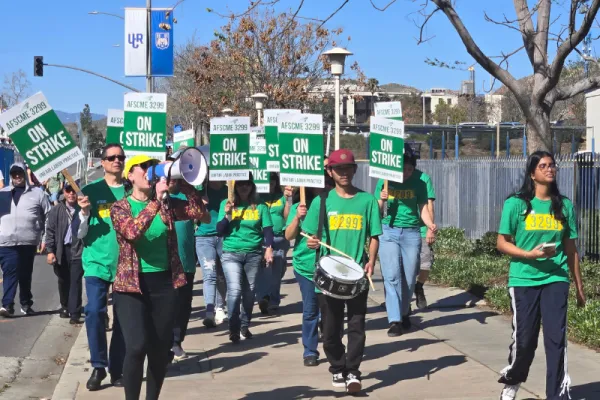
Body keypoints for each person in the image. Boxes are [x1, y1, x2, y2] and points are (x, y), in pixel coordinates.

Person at [111, 155, 205, 400]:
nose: (149, 172)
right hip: (130, 286)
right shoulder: (120, 207)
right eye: (144, 167)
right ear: (130, 175)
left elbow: (198, 211)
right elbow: (132, 231)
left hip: (164, 284)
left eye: (153, 167)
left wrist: (182, 181)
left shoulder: (168, 204)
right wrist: (157, 202)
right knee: (136, 346)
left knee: (160, 350)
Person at [496, 151, 585, 400]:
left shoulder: (564, 205)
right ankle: (513, 379)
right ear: (532, 173)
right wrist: (528, 255)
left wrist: (579, 285)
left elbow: (571, 248)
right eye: (543, 166)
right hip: (523, 278)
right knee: (525, 341)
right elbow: (502, 243)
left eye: (552, 165)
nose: (550, 169)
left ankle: (556, 394)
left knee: (556, 340)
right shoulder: (516, 204)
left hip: (556, 278)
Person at [303, 149, 382, 394]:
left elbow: (375, 235)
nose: (344, 173)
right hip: (328, 277)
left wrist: (371, 261)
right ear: (330, 172)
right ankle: (337, 366)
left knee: (357, 326)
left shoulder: (367, 201)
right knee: (330, 329)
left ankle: (353, 371)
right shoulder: (322, 201)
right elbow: (309, 236)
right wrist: (312, 242)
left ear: (355, 170)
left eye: (348, 169)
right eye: (339, 170)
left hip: (357, 275)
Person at [77, 144, 127, 390]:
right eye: (112, 157)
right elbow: (79, 233)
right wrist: (85, 213)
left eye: (121, 157)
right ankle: (98, 366)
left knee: (123, 319)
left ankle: (117, 369)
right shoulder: (89, 191)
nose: (117, 160)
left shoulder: (133, 191)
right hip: (97, 263)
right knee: (95, 312)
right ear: (103, 163)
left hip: (126, 266)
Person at [375, 151, 436, 337]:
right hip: (389, 231)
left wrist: (430, 224)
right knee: (391, 276)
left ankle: (403, 312)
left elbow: (423, 208)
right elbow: (376, 211)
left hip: (411, 233)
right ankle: (394, 320)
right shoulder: (384, 181)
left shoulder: (419, 183)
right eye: (404, 168)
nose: (407, 172)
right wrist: (382, 199)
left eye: (410, 169)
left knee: (409, 278)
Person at [284, 166, 334, 367]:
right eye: (318, 183)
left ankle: (332, 344)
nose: (321, 187)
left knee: (330, 311)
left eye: (325, 183)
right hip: (305, 266)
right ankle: (310, 350)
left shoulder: (334, 203)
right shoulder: (301, 204)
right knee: (311, 309)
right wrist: (297, 216)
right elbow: (288, 236)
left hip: (330, 265)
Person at [216, 175, 274, 343]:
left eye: (247, 184)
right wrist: (227, 215)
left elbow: (268, 230)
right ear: (234, 186)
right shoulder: (225, 204)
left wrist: (269, 248)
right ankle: (233, 328)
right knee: (235, 290)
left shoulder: (261, 206)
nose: (243, 188)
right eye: (240, 184)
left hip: (253, 254)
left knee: (250, 291)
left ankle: (244, 325)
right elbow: (220, 230)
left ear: (252, 186)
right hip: (231, 253)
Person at [168, 159, 211, 361]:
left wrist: (188, 189)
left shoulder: (186, 195)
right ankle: (166, 343)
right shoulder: (155, 196)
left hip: (185, 261)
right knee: (166, 305)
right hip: (163, 263)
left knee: (183, 305)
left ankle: (176, 341)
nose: (171, 180)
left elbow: (205, 217)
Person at [0, 163, 51, 318]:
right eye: (14, 174)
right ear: (10, 175)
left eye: (19, 173)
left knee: (25, 274)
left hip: (28, 241)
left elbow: (49, 216)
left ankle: (26, 303)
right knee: (10, 271)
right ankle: (7, 305)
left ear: (24, 173)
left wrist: (45, 238)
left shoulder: (37, 193)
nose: (17, 176)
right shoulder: (3, 193)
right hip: (6, 241)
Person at [45, 180, 84, 323]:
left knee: (75, 281)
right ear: (64, 192)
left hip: (78, 249)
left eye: (74, 190)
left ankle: (75, 313)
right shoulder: (57, 210)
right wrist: (50, 251)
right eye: (68, 191)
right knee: (63, 280)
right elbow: (50, 231)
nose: (71, 194)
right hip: (62, 250)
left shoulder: (83, 208)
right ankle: (65, 306)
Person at [256, 172, 293, 314]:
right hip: (263, 239)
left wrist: (288, 199)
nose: (270, 184)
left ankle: (274, 300)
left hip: (280, 238)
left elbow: (286, 216)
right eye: (267, 182)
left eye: (272, 182)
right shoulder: (257, 197)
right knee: (265, 269)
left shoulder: (281, 197)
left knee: (278, 271)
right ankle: (264, 297)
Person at [195, 176, 228, 328]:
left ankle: (220, 307)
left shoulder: (229, 191)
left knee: (222, 275)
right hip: (204, 237)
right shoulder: (200, 191)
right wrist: (200, 205)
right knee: (210, 274)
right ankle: (209, 311)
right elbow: (190, 213)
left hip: (224, 236)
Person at [414, 168, 436, 309]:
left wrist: (430, 229)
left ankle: (419, 286)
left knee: (425, 264)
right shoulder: (391, 177)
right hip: (401, 229)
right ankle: (403, 301)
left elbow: (429, 205)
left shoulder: (423, 178)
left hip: (422, 228)